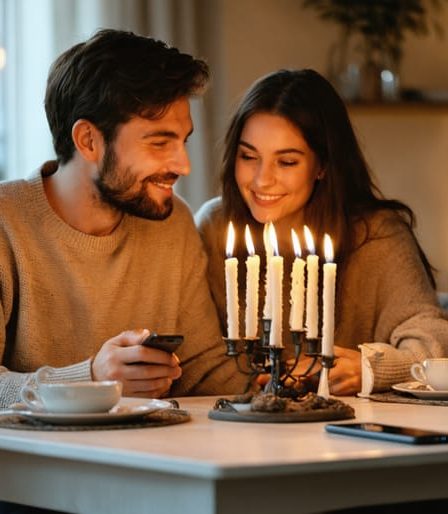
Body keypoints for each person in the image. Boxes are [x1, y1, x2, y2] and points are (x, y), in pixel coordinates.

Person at [0, 29, 249, 410]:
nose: (183, 164)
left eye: (183, 141)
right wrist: (92, 379)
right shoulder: (6, 222)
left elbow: (204, 372)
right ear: (88, 141)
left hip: (150, 462)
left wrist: (300, 382)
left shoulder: (172, 222)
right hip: (31, 468)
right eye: (159, 142)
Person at [195, 68, 448, 396]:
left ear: (322, 166)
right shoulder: (216, 226)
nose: (261, 180)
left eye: (286, 162)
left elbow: (432, 340)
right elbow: (200, 356)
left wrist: (371, 368)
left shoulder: (375, 235)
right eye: (248, 156)